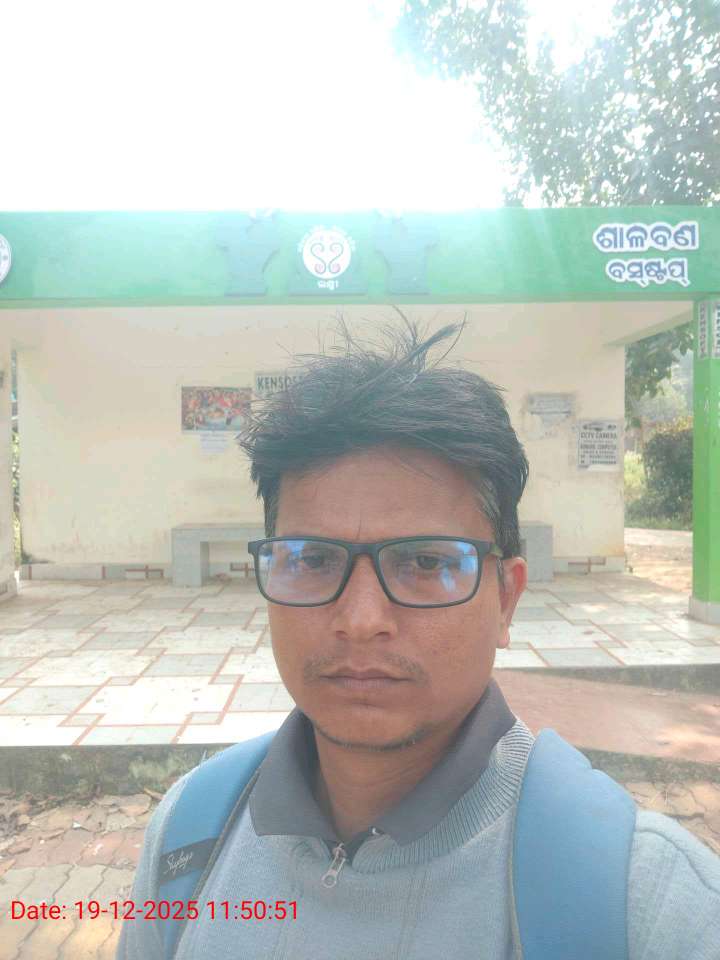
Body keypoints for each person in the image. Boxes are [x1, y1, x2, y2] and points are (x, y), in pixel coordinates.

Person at [117, 312, 720, 959]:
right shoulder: (190, 835)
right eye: (313, 559)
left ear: (505, 599)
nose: (360, 619)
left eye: (426, 562)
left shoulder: (647, 904)